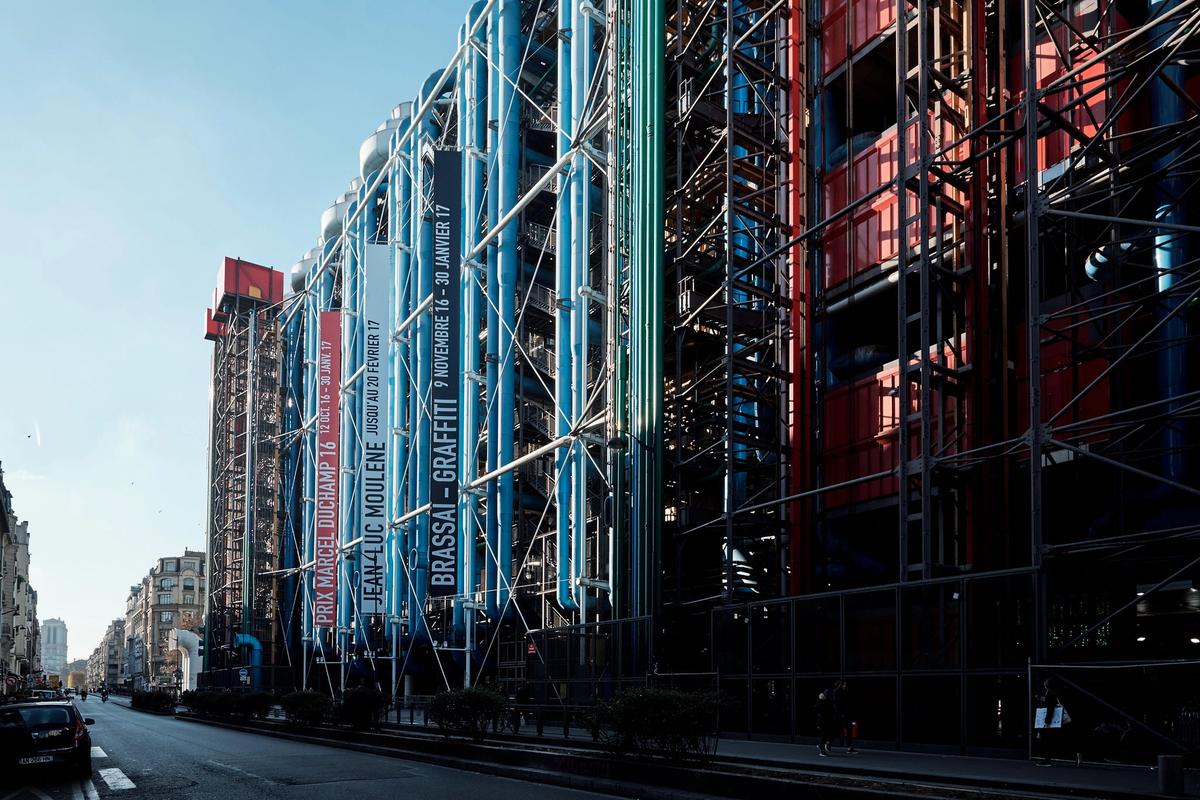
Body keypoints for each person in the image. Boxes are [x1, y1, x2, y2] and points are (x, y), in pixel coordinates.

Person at [832, 679, 857, 754]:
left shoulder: (846, 692)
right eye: (844, 685)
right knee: (837, 731)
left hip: (846, 715)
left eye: (845, 685)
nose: (845, 686)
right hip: (839, 716)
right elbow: (836, 705)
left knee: (849, 730)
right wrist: (840, 714)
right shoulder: (836, 692)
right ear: (840, 685)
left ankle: (849, 747)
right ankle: (827, 743)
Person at [815, 690, 839, 757]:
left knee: (827, 735)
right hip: (824, 721)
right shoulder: (822, 702)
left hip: (827, 721)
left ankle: (822, 746)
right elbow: (820, 713)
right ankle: (822, 749)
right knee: (825, 735)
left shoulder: (825, 701)